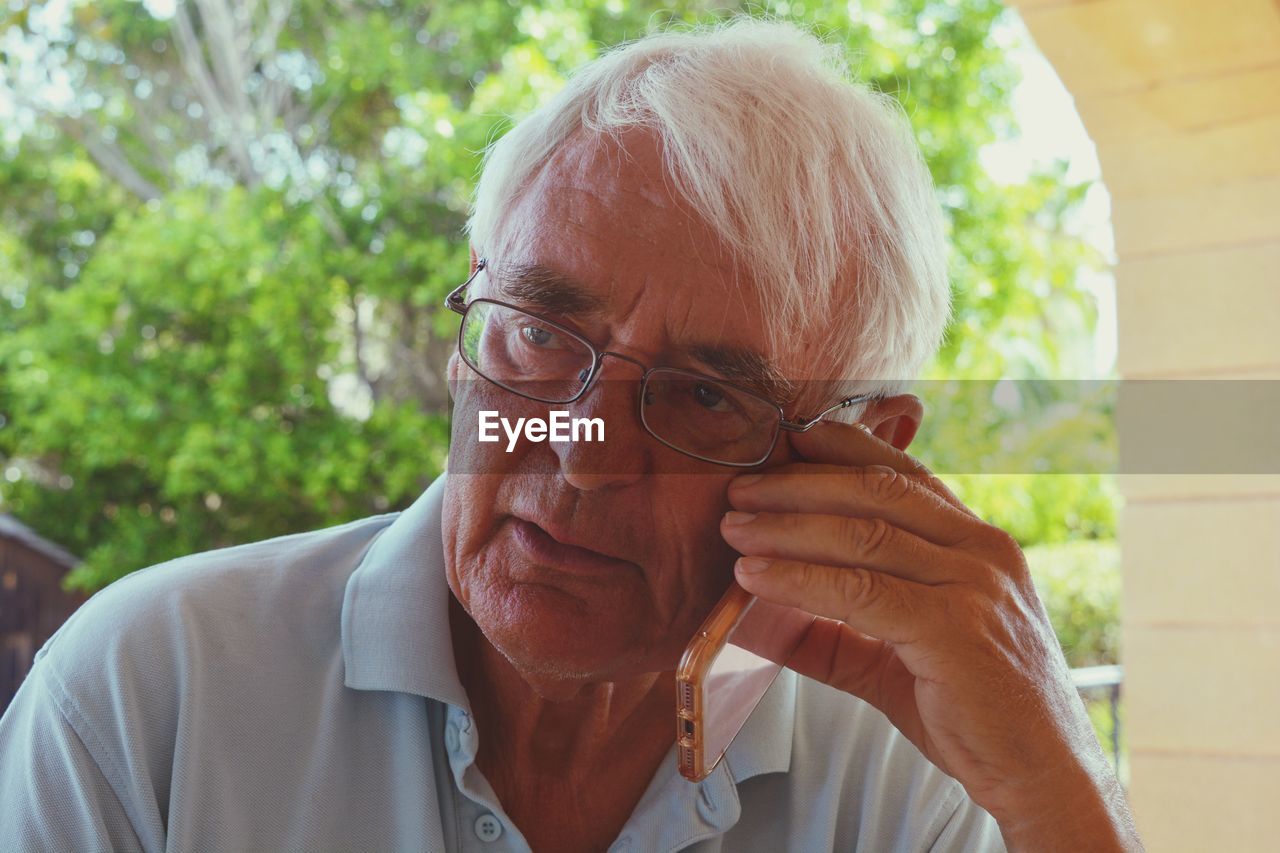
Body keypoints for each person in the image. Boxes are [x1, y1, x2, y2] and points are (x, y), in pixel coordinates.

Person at [0, 18, 1141, 852]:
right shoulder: (152, 696)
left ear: (865, 456)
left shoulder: (904, 781)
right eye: (540, 332)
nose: (580, 453)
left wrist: (1052, 784)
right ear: (463, 338)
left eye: (703, 396)